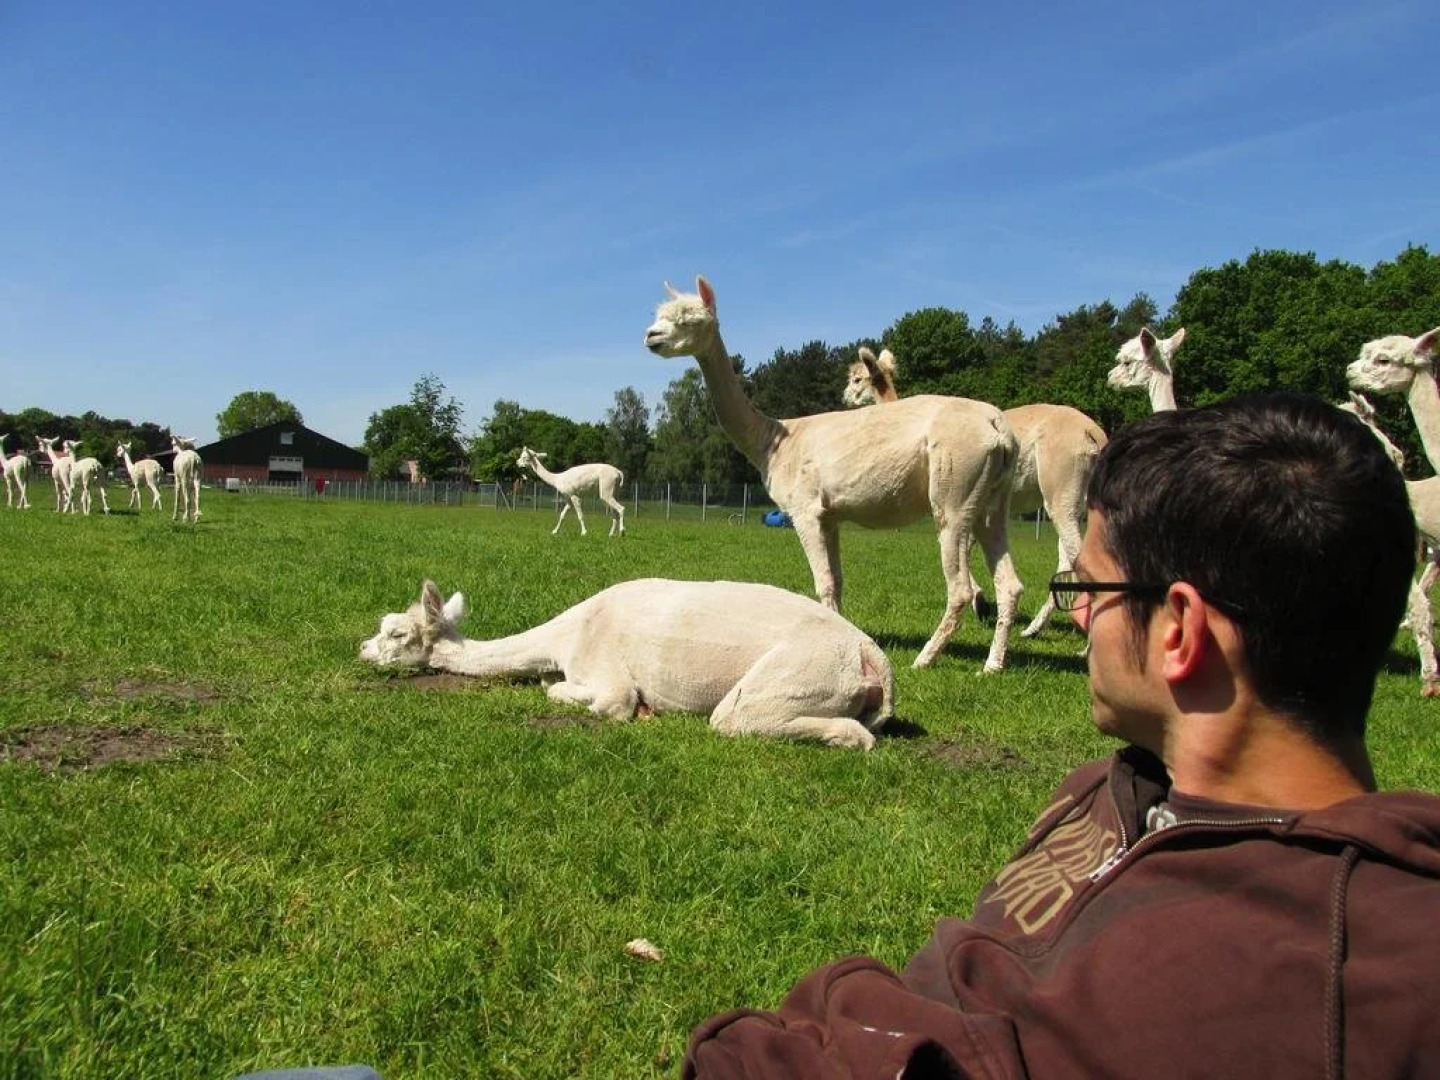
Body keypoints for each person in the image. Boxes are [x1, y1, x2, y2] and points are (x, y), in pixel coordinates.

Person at [682, 392, 1440, 1079]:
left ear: (1179, 632)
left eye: (1089, 587)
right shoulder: (1111, 789)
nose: (1077, 614)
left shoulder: (1273, 979)